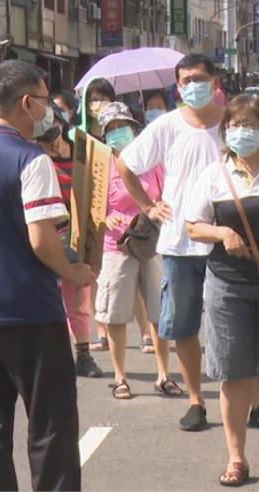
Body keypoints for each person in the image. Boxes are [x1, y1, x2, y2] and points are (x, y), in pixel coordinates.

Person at [0, 60, 95, 491]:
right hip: (30, 312)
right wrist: (72, 270)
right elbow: (41, 239)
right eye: (46, 101)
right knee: (51, 426)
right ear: (28, 103)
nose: (50, 111)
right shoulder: (31, 160)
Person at [186, 94, 259, 486]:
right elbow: (193, 225)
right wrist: (221, 232)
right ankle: (236, 459)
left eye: (249, 126)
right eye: (233, 126)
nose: (240, 133)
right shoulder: (214, 174)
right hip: (227, 287)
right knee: (234, 375)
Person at [117, 53, 225, 432]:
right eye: (183, 81)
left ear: (215, 81)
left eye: (197, 78)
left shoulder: (233, 124)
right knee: (183, 328)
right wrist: (148, 206)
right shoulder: (167, 126)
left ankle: (254, 400)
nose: (190, 86)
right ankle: (196, 400)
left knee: (233, 328)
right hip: (179, 245)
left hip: (226, 243)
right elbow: (126, 165)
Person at [93, 102, 183, 400]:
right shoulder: (101, 166)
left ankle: (164, 374)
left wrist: (158, 208)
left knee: (159, 313)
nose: (118, 133)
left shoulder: (152, 163)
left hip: (152, 243)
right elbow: (92, 208)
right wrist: (106, 217)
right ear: (104, 135)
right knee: (116, 314)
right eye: (111, 129)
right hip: (116, 246)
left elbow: (166, 196)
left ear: (134, 127)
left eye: (122, 126)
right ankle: (120, 377)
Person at [36, 108, 104, 378]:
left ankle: (83, 355)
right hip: (48, 235)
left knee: (77, 297)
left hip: (77, 236)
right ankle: (52, 355)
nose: (49, 138)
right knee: (47, 298)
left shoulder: (81, 154)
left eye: (52, 127)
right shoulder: (37, 161)